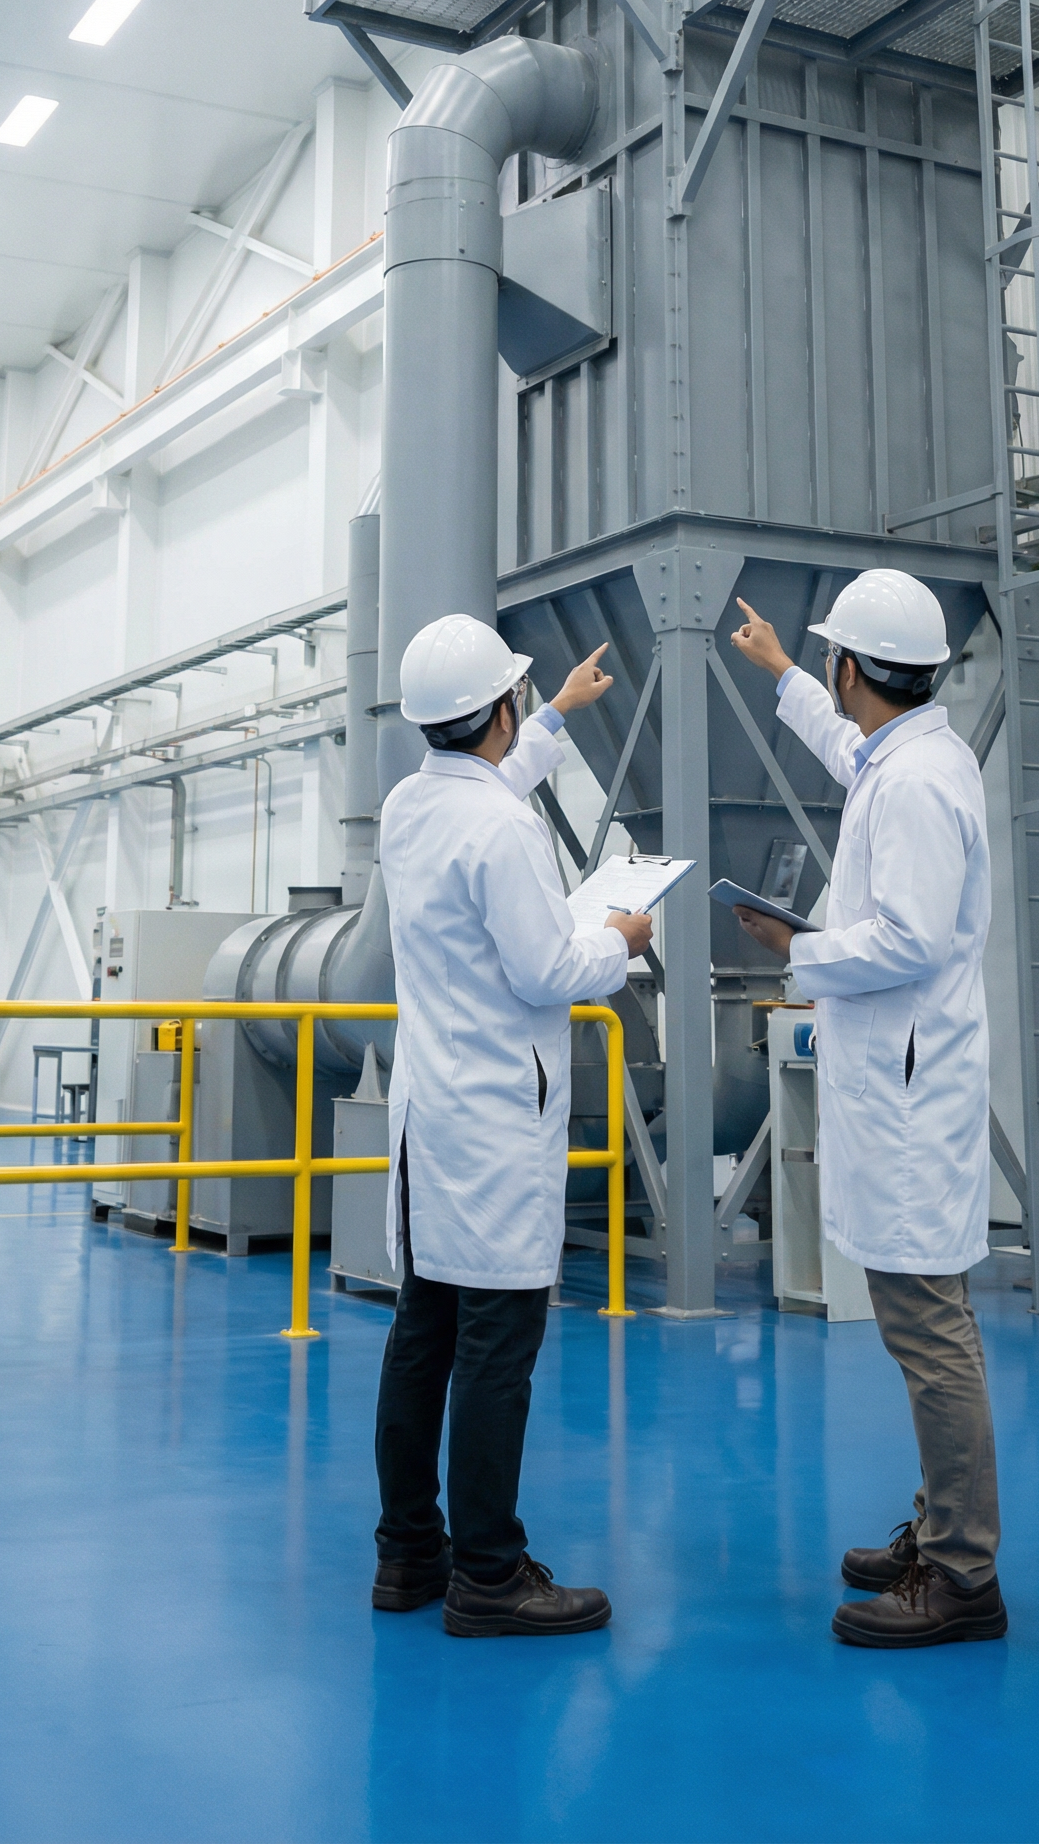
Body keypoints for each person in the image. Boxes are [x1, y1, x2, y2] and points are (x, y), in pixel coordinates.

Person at [730, 571, 1008, 1649]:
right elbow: (852, 753)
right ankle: (944, 1527)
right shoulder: (907, 757)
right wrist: (782, 674)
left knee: (931, 1330)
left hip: (909, 1093)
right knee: (919, 1321)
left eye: (828, 664)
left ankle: (963, 1572)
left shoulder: (922, 783)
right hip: (899, 1080)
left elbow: (908, 939)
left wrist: (795, 946)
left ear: (858, 667)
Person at [371, 614, 655, 1638]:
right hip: (494, 1117)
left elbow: (480, 793)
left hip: (429, 1120)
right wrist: (617, 939)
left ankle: (409, 1552)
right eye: (523, 701)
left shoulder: (411, 806)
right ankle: (489, 1572)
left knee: (423, 1332)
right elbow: (545, 969)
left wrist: (561, 716)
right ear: (500, 707)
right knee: (496, 1348)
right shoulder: (503, 829)